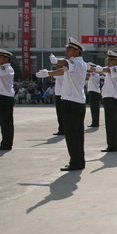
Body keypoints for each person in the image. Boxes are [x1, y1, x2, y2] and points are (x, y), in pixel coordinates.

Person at [38, 37, 88, 171]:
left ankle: (75, 162)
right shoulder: (79, 63)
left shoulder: (74, 62)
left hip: (72, 102)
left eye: (69, 49)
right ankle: (79, 160)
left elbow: (65, 64)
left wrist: (56, 61)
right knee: (77, 134)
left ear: (77, 51)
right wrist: (48, 73)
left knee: (72, 134)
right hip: (77, 101)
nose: (67, 51)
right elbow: (63, 70)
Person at [97, 51, 117, 152]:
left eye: (110, 60)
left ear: (116, 61)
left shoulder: (116, 69)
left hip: (112, 99)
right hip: (109, 98)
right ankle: (114, 144)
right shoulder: (111, 70)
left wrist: (91, 67)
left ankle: (113, 146)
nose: (108, 62)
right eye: (108, 60)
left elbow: (104, 70)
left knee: (112, 123)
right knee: (112, 123)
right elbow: (103, 71)